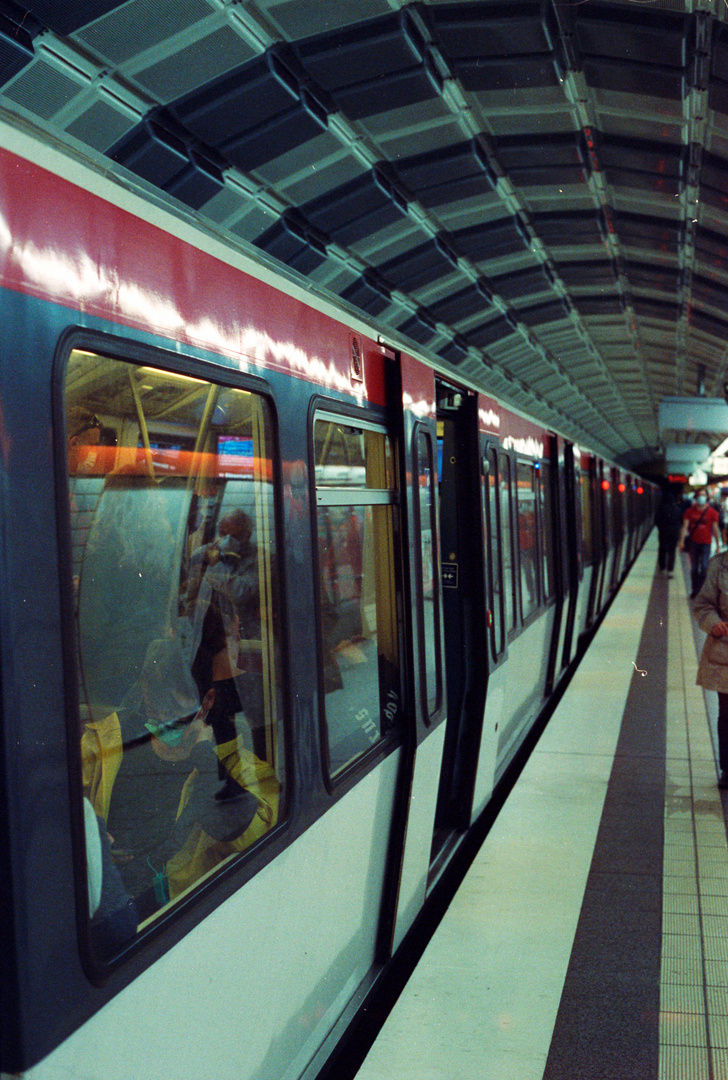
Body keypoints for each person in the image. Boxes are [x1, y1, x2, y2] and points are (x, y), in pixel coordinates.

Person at [81, 637, 280, 924]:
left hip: (173, 913)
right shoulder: (109, 742)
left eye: (173, 709)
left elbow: (255, 834)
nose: (161, 719)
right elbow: (65, 798)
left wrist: (205, 758)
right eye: (154, 707)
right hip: (106, 892)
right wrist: (95, 837)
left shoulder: (236, 764)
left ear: (206, 701)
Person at [693, 552, 728, 788]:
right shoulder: (720, 564)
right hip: (725, 651)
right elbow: (703, 604)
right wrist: (713, 624)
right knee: (727, 714)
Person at [679, 489, 721, 597]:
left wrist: (718, 545)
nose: (701, 497)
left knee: (704, 568)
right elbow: (684, 527)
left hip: (706, 543)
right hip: (693, 543)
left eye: (703, 495)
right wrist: (681, 541)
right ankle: (694, 590)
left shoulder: (712, 512)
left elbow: (715, 529)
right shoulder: (689, 511)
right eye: (699, 495)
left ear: (707, 497)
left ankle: (701, 591)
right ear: (696, 497)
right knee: (693, 568)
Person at [654, 490, 683, 577]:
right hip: (674, 533)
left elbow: (656, 520)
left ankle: (662, 567)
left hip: (663, 532)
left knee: (662, 549)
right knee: (672, 551)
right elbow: (680, 521)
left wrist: (661, 528)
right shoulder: (677, 509)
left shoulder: (660, 508)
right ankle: (670, 569)